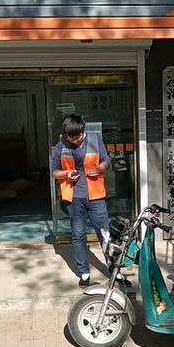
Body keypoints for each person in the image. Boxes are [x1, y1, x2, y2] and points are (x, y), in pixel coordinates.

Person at [51, 114, 130, 288]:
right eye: (71, 137)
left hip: (96, 197)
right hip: (74, 198)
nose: (75, 140)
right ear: (65, 134)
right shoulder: (60, 147)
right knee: (78, 236)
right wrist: (66, 174)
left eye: (78, 136)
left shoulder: (95, 140)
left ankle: (115, 271)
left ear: (83, 131)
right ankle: (84, 273)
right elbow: (54, 171)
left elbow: (106, 160)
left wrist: (100, 168)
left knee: (105, 234)